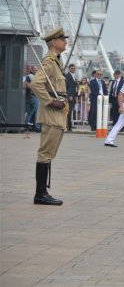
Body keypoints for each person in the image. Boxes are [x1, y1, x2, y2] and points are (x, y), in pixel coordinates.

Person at [30, 28, 69, 205]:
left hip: (58, 115)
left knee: (49, 153)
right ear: (54, 42)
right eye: (62, 39)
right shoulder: (49, 61)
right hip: (51, 115)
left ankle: (42, 192)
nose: (65, 42)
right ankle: (40, 194)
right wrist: (50, 101)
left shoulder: (57, 62)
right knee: (45, 154)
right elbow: (36, 84)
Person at [24, 66, 41, 132]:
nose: (36, 71)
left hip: (29, 97)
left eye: (37, 70)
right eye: (35, 70)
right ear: (32, 70)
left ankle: (26, 126)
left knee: (29, 113)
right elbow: (28, 86)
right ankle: (37, 127)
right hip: (33, 97)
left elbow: (28, 85)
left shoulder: (29, 77)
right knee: (38, 112)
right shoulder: (31, 76)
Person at [65, 63, 78, 131]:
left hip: (73, 96)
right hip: (70, 96)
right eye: (71, 68)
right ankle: (68, 126)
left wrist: (76, 96)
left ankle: (69, 126)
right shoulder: (67, 76)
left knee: (71, 111)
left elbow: (75, 87)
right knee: (69, 111)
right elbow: (67, 87)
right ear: (69, 69)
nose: (73, 69)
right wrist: (69, 95)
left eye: (74, 68)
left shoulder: (74, 76)